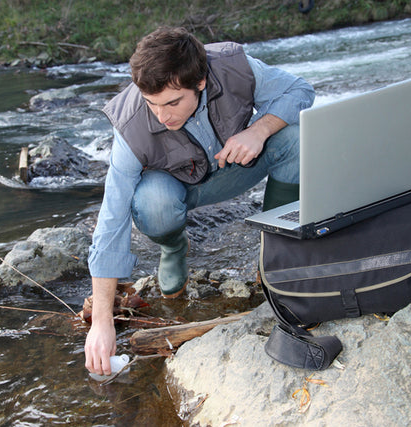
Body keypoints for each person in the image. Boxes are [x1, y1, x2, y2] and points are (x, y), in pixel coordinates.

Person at [85, 27, 315, 375]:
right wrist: (101, 322)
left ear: (201, 82)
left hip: (234, 167)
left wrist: (258, 130)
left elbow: (300, 90)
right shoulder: (130, 125)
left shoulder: (235, 67)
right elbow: (112, 216)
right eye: (152, 104)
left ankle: (276, 251)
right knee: (153, 203)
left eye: (173, 103)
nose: (162, 116)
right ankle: (175, 249)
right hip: (175, 189)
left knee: (297, 138)